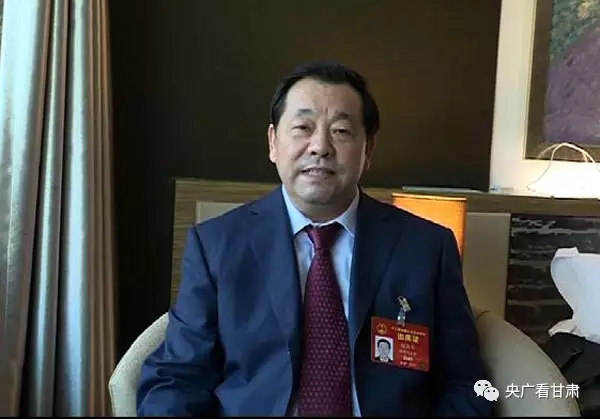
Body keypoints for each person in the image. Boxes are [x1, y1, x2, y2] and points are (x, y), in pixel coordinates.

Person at [136, 61, 493, 416]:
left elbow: (469, 384)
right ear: (273, 142)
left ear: (368, 150)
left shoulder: (426, 248)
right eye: (303, 128)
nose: (320, 146)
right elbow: (177, 378)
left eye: (341, 131)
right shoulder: (216, 246)